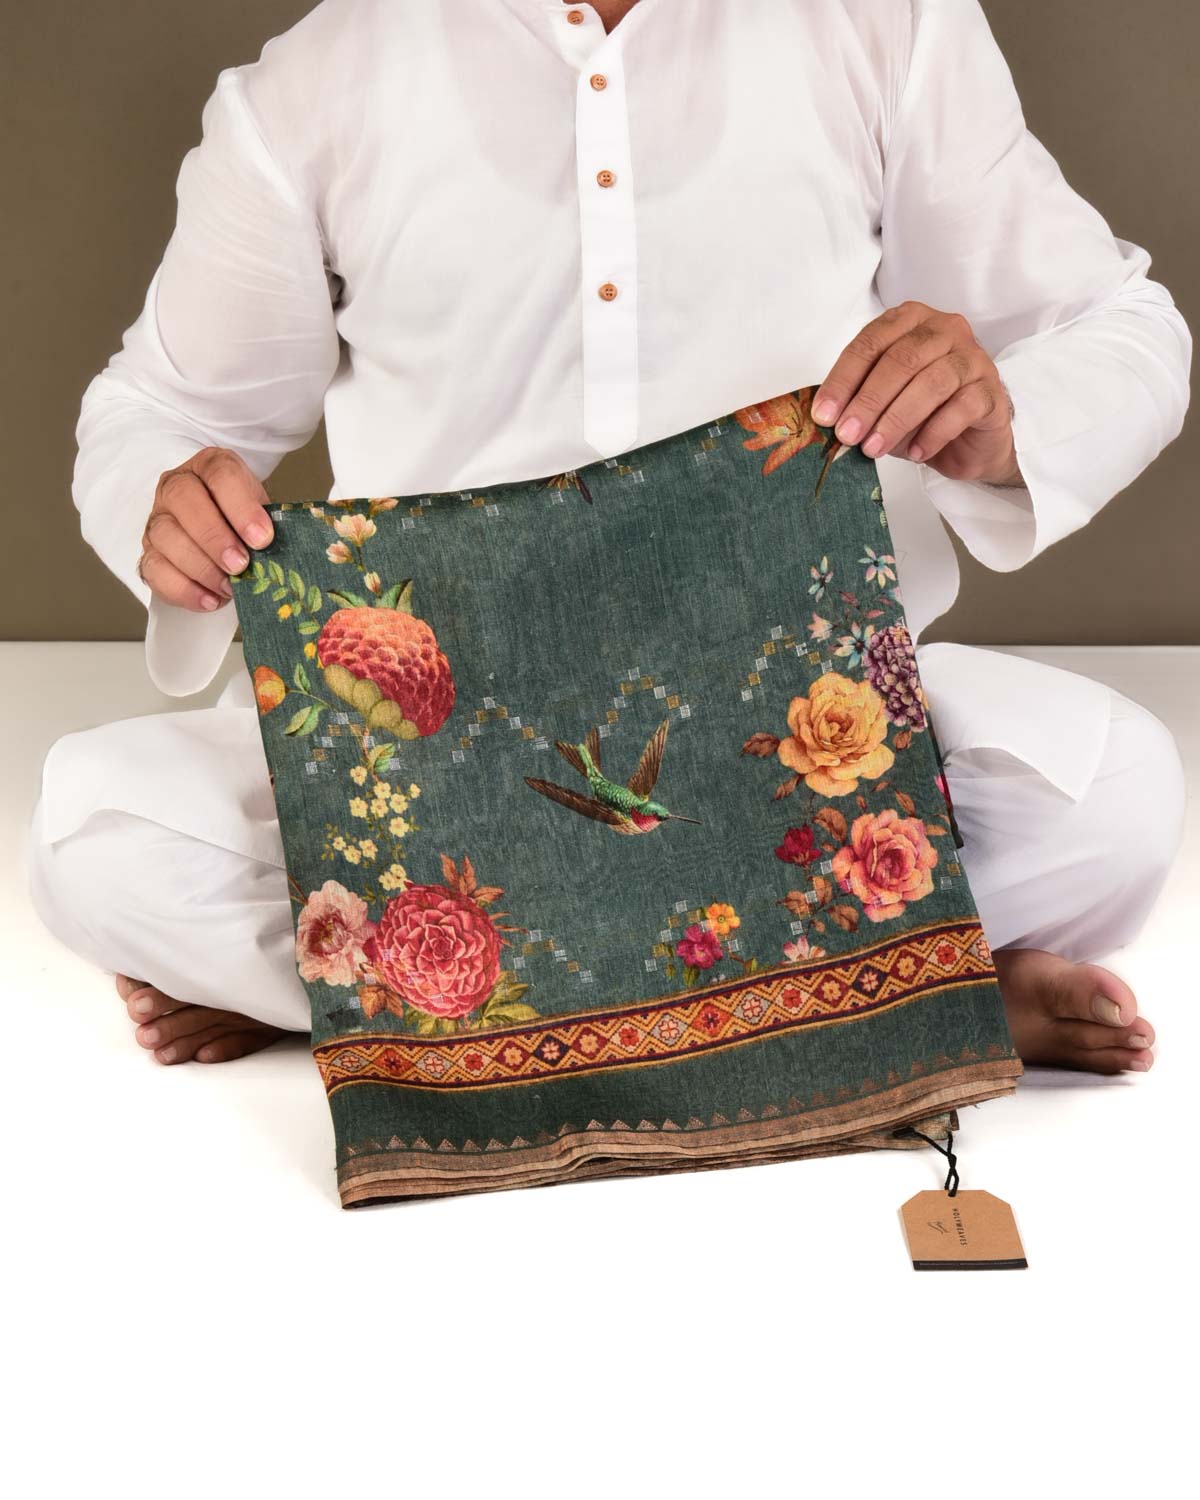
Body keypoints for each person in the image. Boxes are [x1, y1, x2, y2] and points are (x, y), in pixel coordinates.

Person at [27, 0, 1189, 1073]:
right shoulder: (319, 77)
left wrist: (1002, 420)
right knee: (95, 834)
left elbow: (1119, 325)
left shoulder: (883, 21)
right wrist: (165, 506)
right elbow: (157, 408)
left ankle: (373, 994)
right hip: (442, 767)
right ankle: (904, 984)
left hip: (810, 738)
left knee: (1115, 793)